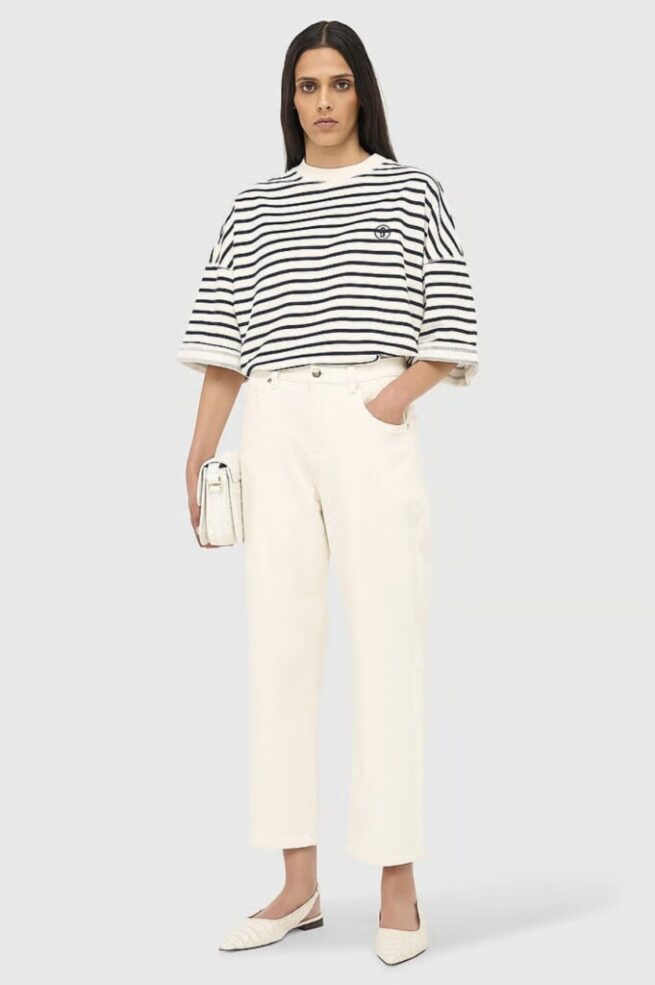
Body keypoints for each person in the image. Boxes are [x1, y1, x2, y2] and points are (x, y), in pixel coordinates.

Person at [176, 19, 479, 965]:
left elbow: (450, 321)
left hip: (366, 415)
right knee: (278, 647)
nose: (322, 102)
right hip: (272, 422)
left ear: (362, 92)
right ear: (290, 99)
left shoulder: (410, 190)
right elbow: (225, 341)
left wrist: (387, 401)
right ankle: (297, 883)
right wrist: (199, 450)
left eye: (338, 83)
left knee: (387, 641)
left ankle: (397, 883)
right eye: (307, 86)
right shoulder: (253, 206)